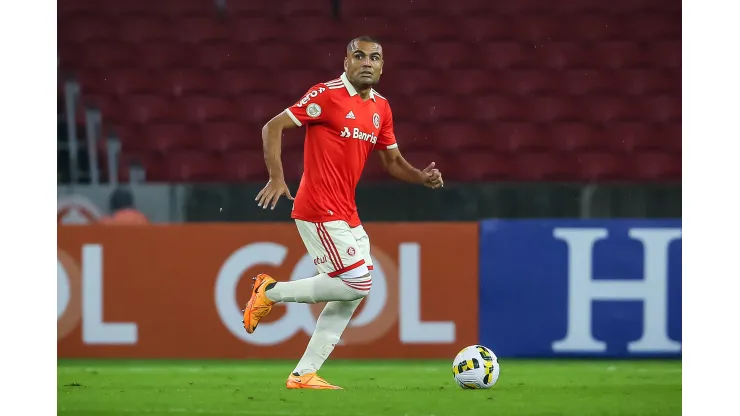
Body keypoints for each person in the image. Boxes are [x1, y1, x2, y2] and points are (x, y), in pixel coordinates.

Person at [243, 36, 444, 390]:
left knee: (353, 290)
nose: (367, 62)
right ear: (347, 61)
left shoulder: (381, 107)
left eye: (375, 57)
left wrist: (420, 178)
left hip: (347, 211)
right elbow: (272, 126)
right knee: (357, 282)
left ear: (383, 66)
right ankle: (269, 292)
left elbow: (391, 160)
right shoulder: (326, 94)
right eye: (360, 55)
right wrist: (277, 177)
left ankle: (304, 374)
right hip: (318, 206)